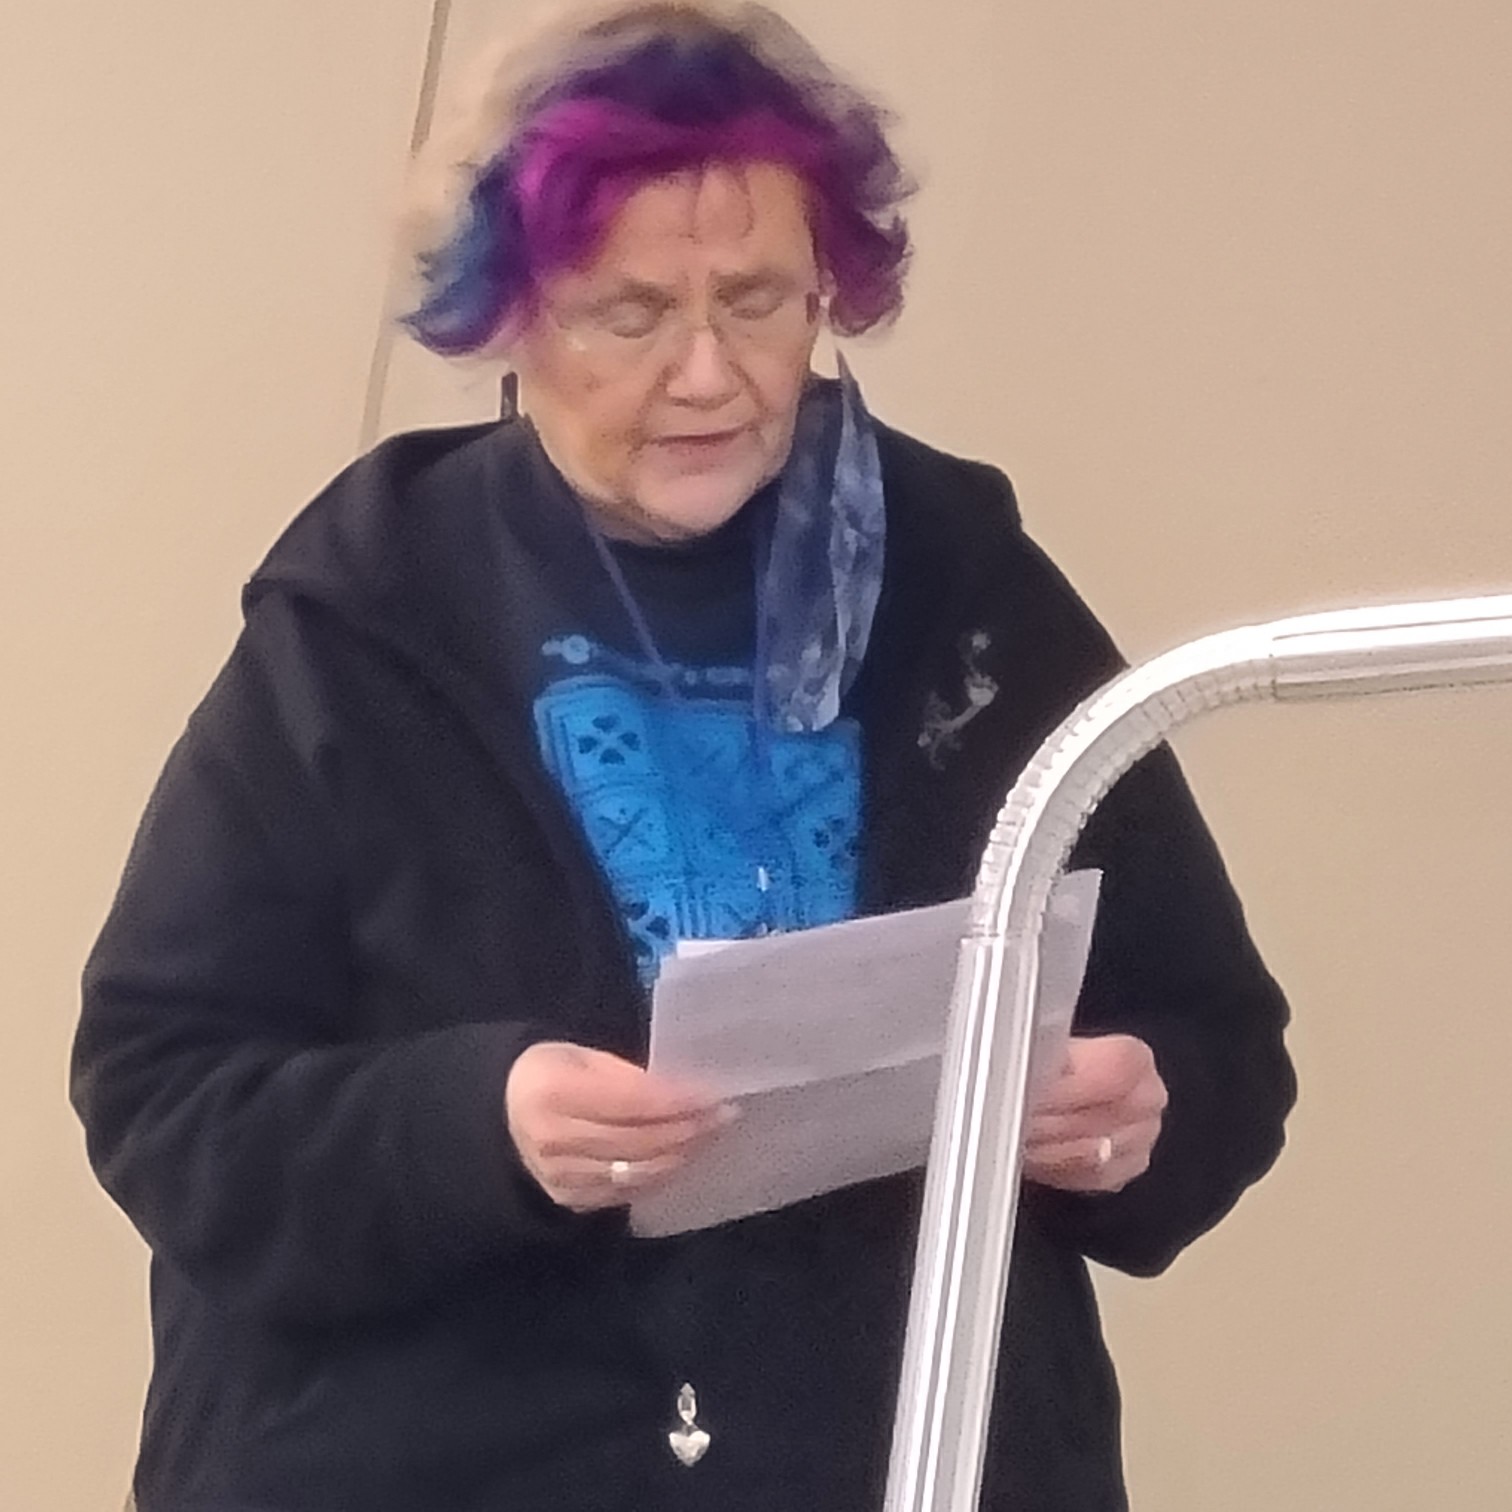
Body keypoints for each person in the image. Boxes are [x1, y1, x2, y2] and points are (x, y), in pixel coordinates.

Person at [73, 4, 1296, 1509]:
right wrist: (479, 1126)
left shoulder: (969, 594)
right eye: (631, 314)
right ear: (512, 316)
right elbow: (164, 1091)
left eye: (759, 301)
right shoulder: (368, 620)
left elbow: (1217, 1041)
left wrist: (1131, 1114)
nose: (709, 374)